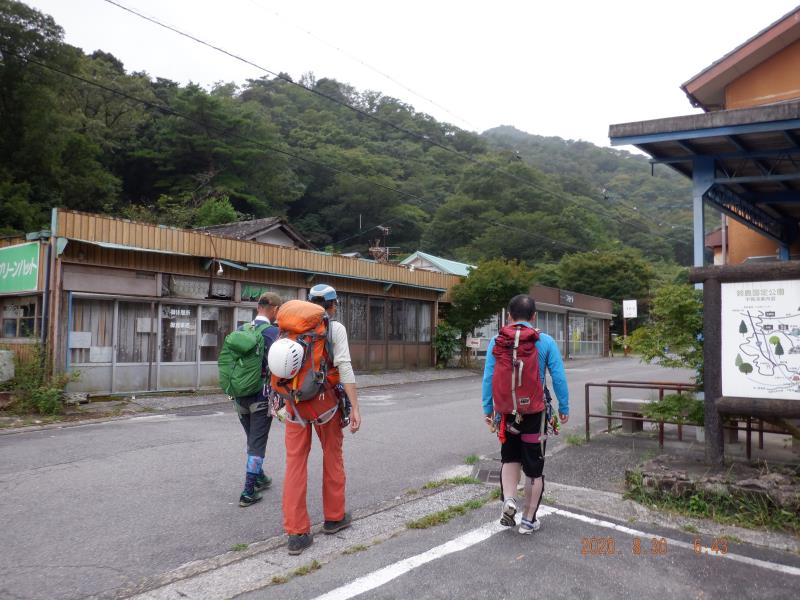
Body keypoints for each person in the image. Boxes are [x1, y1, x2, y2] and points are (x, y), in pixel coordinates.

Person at [282, 283, 361, 555]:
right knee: (332, 456)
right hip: (325, 403)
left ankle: (296, 533)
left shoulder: (290, 328)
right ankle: (334, 517)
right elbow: (345, 367)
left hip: (293, 402)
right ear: (333, 305)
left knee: (295, 464)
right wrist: (355, 406)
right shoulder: (334, 328)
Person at [481, 294, 569, 533]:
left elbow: (489, 377)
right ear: (534, 316)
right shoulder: (545, 341)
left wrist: (488, 409)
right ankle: (529, 520)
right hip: (535, 413)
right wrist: (564, 407)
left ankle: (509, 500)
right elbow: (558, 377)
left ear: (509, 316)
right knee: (533, 467)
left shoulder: (497, 341)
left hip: (506, 412)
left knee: (510, 458)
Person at [234, 292, 282, 507]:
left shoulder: (241, 330)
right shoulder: (274, 333)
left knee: (252, 438)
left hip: (239, 396)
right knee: (257, 444)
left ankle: (260, 476)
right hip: (262, 396)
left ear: (257, 308)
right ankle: (248, 492)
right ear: (275, 310)